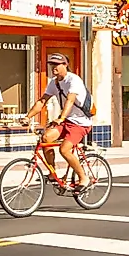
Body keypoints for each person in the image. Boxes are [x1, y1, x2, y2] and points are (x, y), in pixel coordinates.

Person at [35, 49, 97, 189]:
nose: (54, 68)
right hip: (66, 121)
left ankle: (83, 178)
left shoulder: (74, 80)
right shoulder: (53, 83)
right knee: (45, 138)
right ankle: (52, 173)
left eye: (57, 64)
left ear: (65, 65)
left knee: (64, 149)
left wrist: (61, 117)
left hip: (81, 123)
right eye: (52, 65)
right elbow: (41, 101)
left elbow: (70, 101)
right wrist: (27, 117)